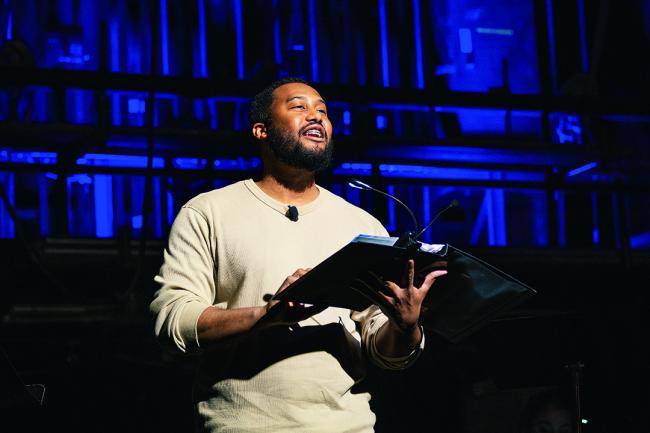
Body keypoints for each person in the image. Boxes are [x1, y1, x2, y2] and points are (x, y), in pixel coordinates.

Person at [150, 77, 447, 432]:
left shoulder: (362, 225)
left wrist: (406, 326)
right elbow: (174, 321)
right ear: (261, 130)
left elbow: (387, 353)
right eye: (299, 107)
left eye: (323, 111)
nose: (316, 117)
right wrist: (266, 315)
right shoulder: (208, 212)